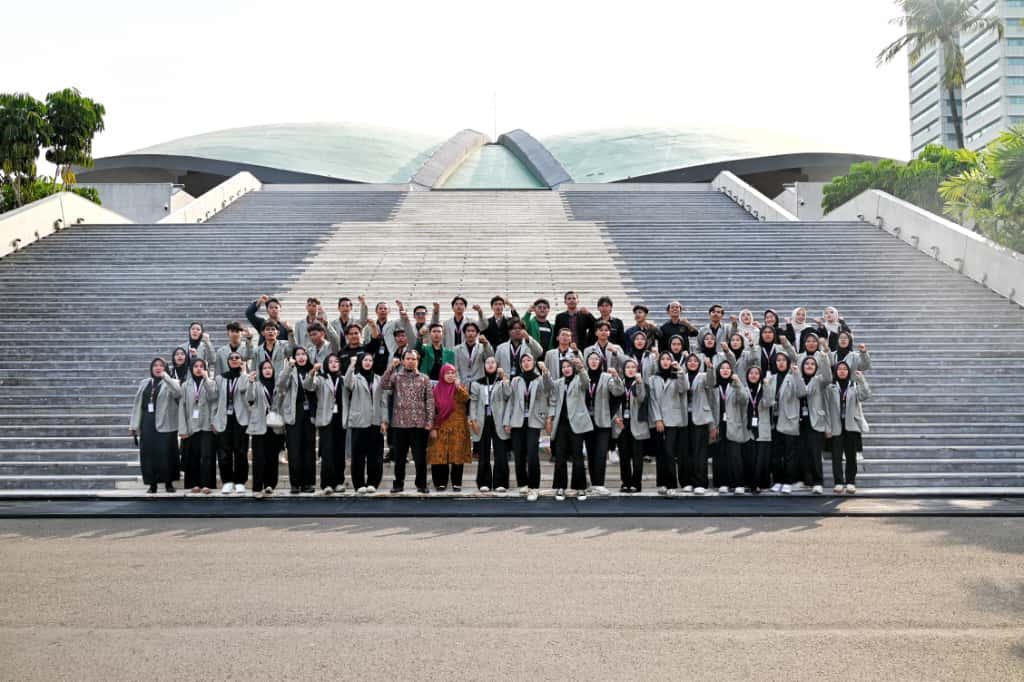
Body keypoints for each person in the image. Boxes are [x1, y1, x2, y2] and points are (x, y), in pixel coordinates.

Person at [381, 351, 435, 494]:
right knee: (399, 458)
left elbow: (430, 400)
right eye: (408, 359)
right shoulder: (396, 377)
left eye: (413, 359)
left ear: (418, 361)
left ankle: (421, 485)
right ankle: (398, 484)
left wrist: (430, 421)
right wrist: (392, 367)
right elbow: (383, 384)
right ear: (403, 361)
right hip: (400, 424)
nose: (411, 361)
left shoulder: (424, 378)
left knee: (420, 458)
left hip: (419, 424)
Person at [504, 354, 553, 501]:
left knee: (532, 454)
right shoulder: (516, 380)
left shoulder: (540, 379)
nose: (526, 363)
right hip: (517, 421)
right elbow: (511, 401)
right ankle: (523, 484)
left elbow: (549, 388)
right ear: (520, 364)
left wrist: (545, 372)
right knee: (519, 455)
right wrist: (507, 421)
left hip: (534, 420)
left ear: (534, 362)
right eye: (523, 361)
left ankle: (534, 487)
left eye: (529, 360)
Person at [130, 358, 182, 493]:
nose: (158, 368)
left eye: (161, 366)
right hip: (147, 422)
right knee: (148, 454)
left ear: (166, 368)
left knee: (166, 453)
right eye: (155, 365)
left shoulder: (171, 382)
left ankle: (169, 483)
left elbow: (178, 392)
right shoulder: (145, 383)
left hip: (165, 422)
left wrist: (166, 377)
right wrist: (134, 425)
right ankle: (152, 484)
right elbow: (137, 405)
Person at [548, 358, 594, 501]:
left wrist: (581, 368)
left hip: (577, 424)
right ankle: (560, 487)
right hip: (561, 425)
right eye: (564, 367)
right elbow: (552, 398)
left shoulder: (579, 379)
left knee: (578, 457)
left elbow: (586, 383)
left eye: (568, 366)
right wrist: (550, 417)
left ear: (573, 368)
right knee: (560, 457)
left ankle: (580, 488)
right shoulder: (558, 383)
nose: (566, 369)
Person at [303, 353, 347, 494]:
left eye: (336, 361)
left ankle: (339, 482)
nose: (334, 364)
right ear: (326, 365)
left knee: (339, 452)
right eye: (330, 362)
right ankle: (327, 483)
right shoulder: (321, 379)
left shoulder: (343, 379)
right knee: (327, 452)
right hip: (325, 419)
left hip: (340, 419)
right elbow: (308, 386)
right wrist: (312, 372)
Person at [581, 351, 623, 496]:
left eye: (596, 359)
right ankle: (593, 483)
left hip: (603, 420)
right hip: (587, 420)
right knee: (591, 453)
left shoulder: (606, 377)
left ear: (601, 362)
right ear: (587, 362)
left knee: (600, 452)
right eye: (591, 359)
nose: (593, 361)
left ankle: (599, 484)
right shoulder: (583, 376)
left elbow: (618, 392)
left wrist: (616, 377)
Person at [345, 353, 387, 493]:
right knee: (358, 455)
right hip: (359, 421)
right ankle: (359, 484)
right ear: (360, 362)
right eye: (365, 360)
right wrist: (351, 365)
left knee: (376, 455)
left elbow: (383, 402)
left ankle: (373, 483)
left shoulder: (378, 379)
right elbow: (347, 383)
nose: (368, 362)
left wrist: (384, 420)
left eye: (370, 360)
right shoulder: (355, 378)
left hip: (375, 421)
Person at [470, 358, 513, 492]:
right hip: (482, 419)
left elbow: (508, 395)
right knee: (483, 452)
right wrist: (473, 420)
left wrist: (504, 378)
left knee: (501, 452)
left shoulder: (502, 382)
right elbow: (473, 402)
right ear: (484, 366)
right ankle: (484, 482)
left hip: (499, 419)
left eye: (493, 362)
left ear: (497, 365)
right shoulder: (477, 383)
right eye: (487, 363)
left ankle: (501, 482)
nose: (490, 365)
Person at [279, 347, 318, 494]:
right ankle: (295, 483)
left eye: (303, 354)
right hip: (294, 412)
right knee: (294, 449)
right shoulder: (290, 370)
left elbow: (313, 387)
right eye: (298, 355)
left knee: (309, 449)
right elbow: (281, 385)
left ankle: (308, 483)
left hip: (310, 413)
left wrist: (313, 373)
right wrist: (289, 367)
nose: (301, 357)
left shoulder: (312, 370)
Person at [427, 364, 472, 491]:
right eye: (447, 373)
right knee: (439, 455)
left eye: (453, 373)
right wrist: (433, 428)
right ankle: (440, 483)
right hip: (440, 427)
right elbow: (432, 410)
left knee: (457, 455)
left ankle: (456, 483)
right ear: (442, 375)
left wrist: (458, 387)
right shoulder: (436, 390)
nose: (450, 375)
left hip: (458, 428)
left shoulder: (460, 388)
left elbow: (466, 398)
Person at [828, 363, 870, 494]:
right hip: (836, 425)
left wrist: (861, 380)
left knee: (851, 456)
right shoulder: (831, 387)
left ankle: (851, 482)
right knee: (836, 456)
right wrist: (827, 427)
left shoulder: (854, 386)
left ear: (848, 371)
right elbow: (826, 407)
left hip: (851, 425)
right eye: (839, 369)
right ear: (836, 371)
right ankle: (838, 482)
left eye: (845, 369)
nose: (842, 371)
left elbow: (865, 396)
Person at [794, 356, 834, 494]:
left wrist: (824, 359)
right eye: (807, 364)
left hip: (816, 422)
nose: (809, 366)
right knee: (802, 453)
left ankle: (818, 482)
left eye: (812, 364)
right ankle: (806, 481)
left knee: (814, 453)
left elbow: (828, 377)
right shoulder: (797, 378)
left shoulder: (819, 380)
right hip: (799, 421)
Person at [178, 358, 218, 494]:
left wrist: (207, 379)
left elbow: (213, 397)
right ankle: (194, 483)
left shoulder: (211, 383)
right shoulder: (185, 385)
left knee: (207, 455)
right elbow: (182, 407)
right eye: (196, 366)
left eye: (201, 366)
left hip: (207, 425)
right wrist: (183, 429)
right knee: (193, 456)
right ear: (191, 369)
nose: (199, 368)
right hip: (191, 426)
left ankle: (207, 484)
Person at [648, 351, 685, 495]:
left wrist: (680, 370)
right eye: (662, 359)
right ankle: (662, 482)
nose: (665, 361)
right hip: (658, 419)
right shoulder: (653, 379)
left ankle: (671, 485)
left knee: (669, 451)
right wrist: (658, 419)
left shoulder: (677, 377)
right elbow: (652, 400)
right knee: (660, 452)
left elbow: (684, 388)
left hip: (673, 419)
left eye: (668, 359)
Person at [212, 351, 250, 494]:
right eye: (231, 358)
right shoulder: (219, 378)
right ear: (227, 362)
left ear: (241, 361)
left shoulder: (246, 377)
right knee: (224, 452)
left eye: (237, 358)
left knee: (241, 452)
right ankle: (227, 481)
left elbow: (245, 391)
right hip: (223, 419)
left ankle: (240, 481)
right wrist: (213, 419)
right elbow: (214, 400)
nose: (234, 359)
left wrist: (244, 374)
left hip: (240, 419)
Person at [246, 360, 285, 498]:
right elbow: (250, 398)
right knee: (258, 458)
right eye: (264, 368)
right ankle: (257, 487)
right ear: (260, 371)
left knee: (272, 457)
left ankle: (270, 485)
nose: (267, 370)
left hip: (275, 426)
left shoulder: (278, 385)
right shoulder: (256, 384)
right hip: (259, 425)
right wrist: (250, 383)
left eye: (269, 368)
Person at [611, 358, 649, 492]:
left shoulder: (640, 383)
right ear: (623, 370)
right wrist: (615, 418)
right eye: (628, 367)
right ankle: (626, 482)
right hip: (621, 423)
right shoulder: (618, 383)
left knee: (637, 457)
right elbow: (612, 402)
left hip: (636, 423)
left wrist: (639, 383)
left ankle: (636, 483)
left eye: (633, 367)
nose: (631, 370)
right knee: (624, 456)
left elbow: (642, 398)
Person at [768, 353, 803, 495]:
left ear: (788, 363)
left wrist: (797, 375)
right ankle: (778, 480)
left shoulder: (793, 377)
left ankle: (788, 481)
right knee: (776, 454)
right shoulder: (771, 378)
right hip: (774, 421)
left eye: (783, 360)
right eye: (778, 360)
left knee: (789, 454)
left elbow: (802, 393)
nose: (781, 363)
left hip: (789, 420)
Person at [679, 353, 714, 495]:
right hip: (684, 417)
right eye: (690, 361)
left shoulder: (703, 376)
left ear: (699, 364)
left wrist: (710, 368)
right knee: (685, 451)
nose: (692, 363)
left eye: (695, 361)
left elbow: (711, 383)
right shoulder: (682, 375)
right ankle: (686, 482)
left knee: (700, 451)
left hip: (700, 417)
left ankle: (700, 482)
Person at [708, 359, 738, 494]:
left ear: (731, 371)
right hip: (718, 424)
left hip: (732, 424)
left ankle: (733, 482)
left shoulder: (735, 386)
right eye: (722, 368)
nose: (725, 370)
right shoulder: (714, 389)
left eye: (727, 368)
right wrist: (712, 426)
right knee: (719, 454)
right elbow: (709, 408)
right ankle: (721, 482)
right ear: (718, 371)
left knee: (732, 454)